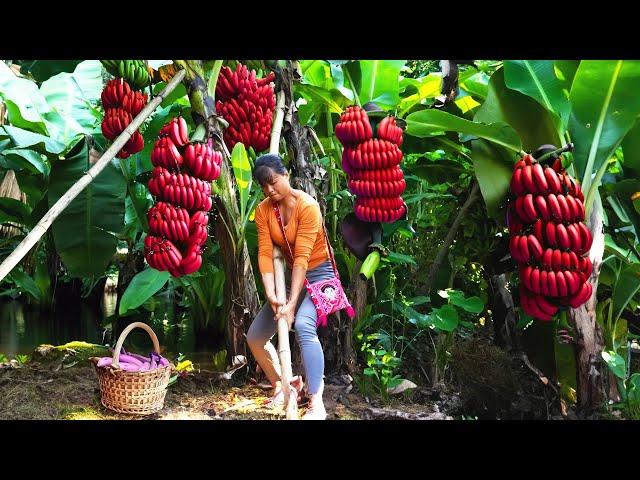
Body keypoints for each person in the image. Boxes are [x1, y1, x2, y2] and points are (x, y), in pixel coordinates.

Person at [246, 153, 335, 420]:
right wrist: (273, 295)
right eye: (264, 187)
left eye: (273, 182)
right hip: (290, 279)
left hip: (320, 275)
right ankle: (283, 385)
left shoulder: (308, 206)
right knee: (256, 337)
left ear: (286, 175)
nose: (270, 190)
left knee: (305, 325)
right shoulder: (263, 210)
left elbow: (302, 259)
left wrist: (292, 304)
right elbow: (264, 253)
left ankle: (317, 401)